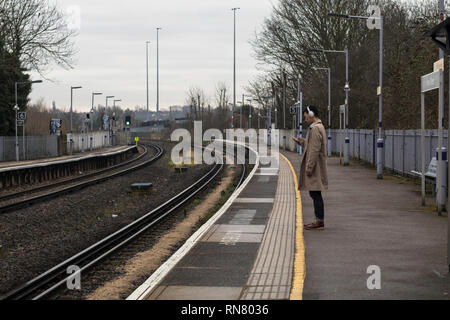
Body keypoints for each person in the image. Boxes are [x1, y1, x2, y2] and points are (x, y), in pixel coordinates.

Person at [292, 105, 328, 230]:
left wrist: (309, 167)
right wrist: (301, 142)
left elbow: (314, 150)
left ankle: (319, 221)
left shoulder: (315, 128)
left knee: (315, 193)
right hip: (317, 166)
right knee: (315, 193)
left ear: (311, 114)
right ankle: (318, 220)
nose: (305, 117)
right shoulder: (319, 127)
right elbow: (311, 145)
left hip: (315, 167)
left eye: (305, 115)